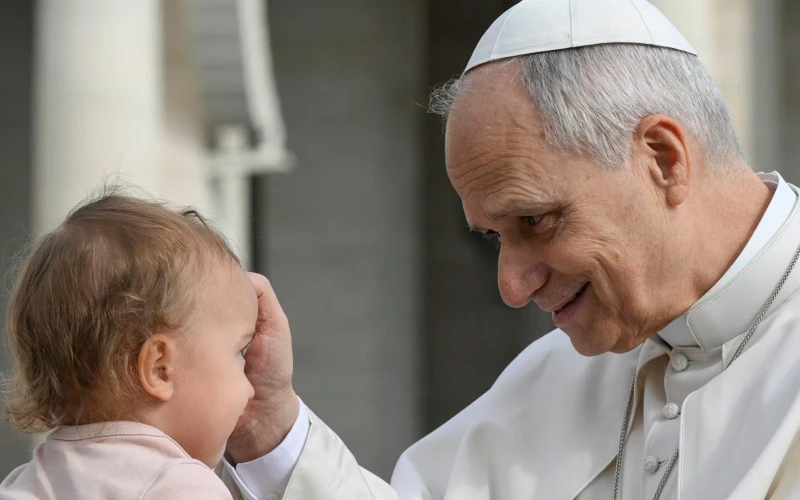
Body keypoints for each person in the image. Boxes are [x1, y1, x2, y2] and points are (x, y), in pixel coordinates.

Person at [216, 0, 800, 499]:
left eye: (535, 220)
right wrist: (272, 428)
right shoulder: (555, 376)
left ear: (663, 159)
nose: (512, 287)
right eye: (494, 237)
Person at [0, 193, 276, 499]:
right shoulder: (181, 486)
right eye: (240, 351)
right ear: (160, 368)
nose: (251, 388)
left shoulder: (25, 483)